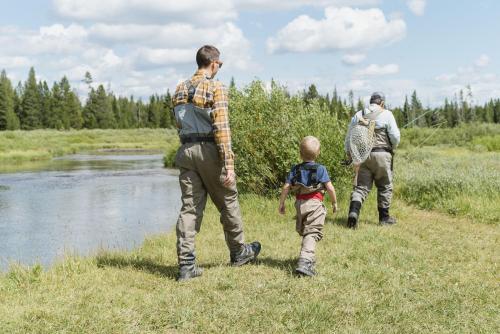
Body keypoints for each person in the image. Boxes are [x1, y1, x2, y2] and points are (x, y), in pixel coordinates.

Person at [172, 45, 261, 281]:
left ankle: (187, 264)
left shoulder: (180, 88)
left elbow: (178, 124)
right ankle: (239, 251)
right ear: (213, 64)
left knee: (189, 207)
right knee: (228, 200)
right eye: (219, 65)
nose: (219, 68)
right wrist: (228, 164)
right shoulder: (216, 87)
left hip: (185, 149)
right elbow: (222, 127)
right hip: (209, 149)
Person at [278, 136, 337, 276]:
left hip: (300, 205)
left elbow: (286, 187)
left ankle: (307, 258)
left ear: (300, 153)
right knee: (312, 232)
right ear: (318, 153)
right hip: (315, 204)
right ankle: (305, 262)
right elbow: (330, 188)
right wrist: (334, 202)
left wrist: (281, 203)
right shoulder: (321, 169)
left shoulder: (295, 169)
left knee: (306, 231)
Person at [345, 92, 401, 229]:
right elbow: (395, 137)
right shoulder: (387, 114)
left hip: (363, 156)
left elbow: (348, 138)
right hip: (382, 154)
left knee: (361, 187)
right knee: (384, 186)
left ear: (371, 102)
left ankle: (353, 212)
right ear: (381, 103)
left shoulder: (358, 114)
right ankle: (384, 218)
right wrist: (392, 148)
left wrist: (349, 154)